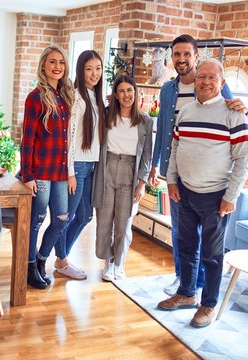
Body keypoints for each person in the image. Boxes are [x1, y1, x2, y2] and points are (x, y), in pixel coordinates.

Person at [156, 58, 248, 328]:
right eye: (202, 77)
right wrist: (171, 181)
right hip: (184, 193)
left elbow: (244, 159)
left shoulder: (233, 114)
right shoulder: (185, 112)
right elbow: (175, 150)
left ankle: (208, 304)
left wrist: (230, 197)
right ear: (195, 80)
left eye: (212, 77)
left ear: (222, 82)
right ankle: (186, 293)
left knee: (211, 254)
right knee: (186, 248)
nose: (206, 82)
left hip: (215, 197)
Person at [20, 44, 75, 289]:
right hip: (40, 172)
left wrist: (70, 172)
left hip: (60, 172)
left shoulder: (64, 98)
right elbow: (27, 139)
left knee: (62, 218)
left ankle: (42, 259)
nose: (57, 67)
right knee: (36, 220)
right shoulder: (35, 97)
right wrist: (27, 174)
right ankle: (29, 266)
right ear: (43, 65)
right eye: (52, 62)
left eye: (61, 62)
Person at [93, 75, 153, 281]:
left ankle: (118, 263)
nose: (126, 95)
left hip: (131, 172)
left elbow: (147, 155)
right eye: (121, 91)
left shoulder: (145, 121)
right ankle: (107, 261)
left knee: (123, 223)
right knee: (104, 221)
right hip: (107, 169)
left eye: (130, 90)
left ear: (135, 93)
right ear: (115, 95)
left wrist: (142, 183)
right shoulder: (107, 115)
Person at [52, 50, 105, 280]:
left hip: (92, 165)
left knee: (85, 216)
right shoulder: (75, 98)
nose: (94, 73)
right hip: (77, 167)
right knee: (69, 216)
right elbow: (69, 138)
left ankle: (61, 257)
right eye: (89, 69)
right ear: (80, 71)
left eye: (98, 68)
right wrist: (70, 172)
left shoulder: (95, 97)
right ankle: (62, 260)